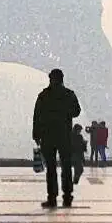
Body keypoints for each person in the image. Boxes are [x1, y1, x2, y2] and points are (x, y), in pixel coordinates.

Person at [32, 68, 81, 208]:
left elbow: (37, 116)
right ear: (62, 79)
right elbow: (76, 111)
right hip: (64, 134)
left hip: (48, 135)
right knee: (66, 166)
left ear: (50, 79)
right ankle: (67, 196)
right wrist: (64, 112)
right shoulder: (68, 94)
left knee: (51, 168)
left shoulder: (44, 95)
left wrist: (36, 134)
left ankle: (52, 197)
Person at [69, 124, 88, 193]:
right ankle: (75, 181)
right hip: (75, 155)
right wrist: (84, 144)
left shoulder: (73, 136)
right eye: (79, 130)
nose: (80, 131)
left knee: (78, 169)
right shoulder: (76, 137)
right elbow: (80, 147)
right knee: (79, 169)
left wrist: (84, 144)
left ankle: (74, 181)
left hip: (75, 155)